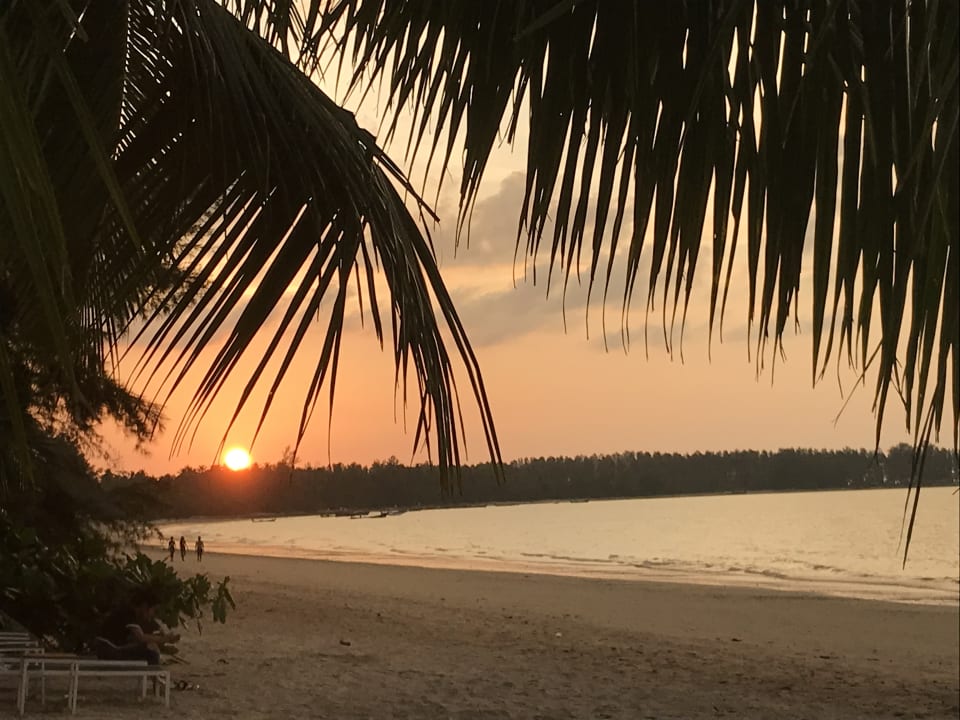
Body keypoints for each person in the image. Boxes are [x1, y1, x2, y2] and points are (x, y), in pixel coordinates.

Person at [94, 588, 179, 666]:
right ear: (145, 606)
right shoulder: (128, 613)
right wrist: (164, 639)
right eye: (153, 610)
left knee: (150, 646)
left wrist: (161, 639)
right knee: (151, 650)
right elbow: (141, 637)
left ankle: (154, 676)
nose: (152, 614)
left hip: (106, 649)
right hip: (109, 650)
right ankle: (154, 678)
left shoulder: (129, 612)